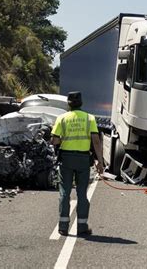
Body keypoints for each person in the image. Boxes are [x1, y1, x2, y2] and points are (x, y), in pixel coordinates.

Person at [51, 91, 104, 236]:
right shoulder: (89, 118)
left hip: (66, 160)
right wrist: (100, 161)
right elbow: (96, 141)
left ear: (68, 103)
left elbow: (54, 141)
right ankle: (82, 227)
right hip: (83, 160)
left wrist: (64, 140)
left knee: (64, 193)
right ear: (81, 103)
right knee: (82, 193)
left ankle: (63, 227)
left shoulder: (61, 118)